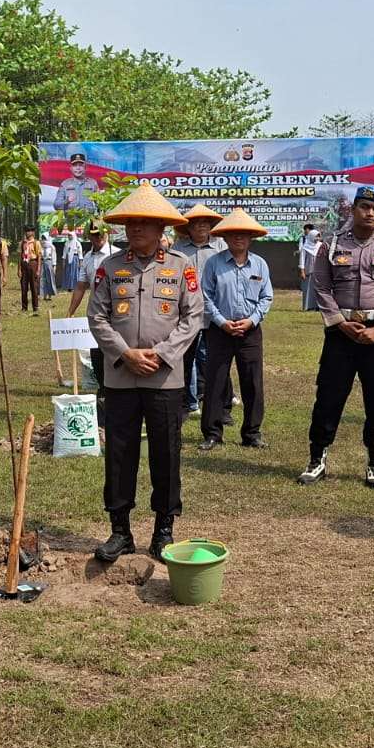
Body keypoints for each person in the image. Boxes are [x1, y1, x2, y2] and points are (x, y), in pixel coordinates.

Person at [86, 184, 201, 561]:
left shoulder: (181, 267)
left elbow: (192, 317)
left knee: (166, 452)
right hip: (121, 375)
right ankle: (120, 531)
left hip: (165, 376)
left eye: (144, 223)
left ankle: (163, 530)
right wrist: (125, 353)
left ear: (159, 229)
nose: (135, 229)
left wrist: (162, 354)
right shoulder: (110, 267)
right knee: (120, 451)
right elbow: (97, 316)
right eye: (131, 223)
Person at [300, 185, 374, 488]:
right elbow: (321, 287)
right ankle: (317, 458)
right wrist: (339, 322)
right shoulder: (332, 245)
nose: (371, 213)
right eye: (365, 207)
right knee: (328, 397)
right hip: (342, 334)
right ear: (353, 209)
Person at [197, 208, 273, 451]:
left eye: (243, 234)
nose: (238, 238)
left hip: (250, 331)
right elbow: (205, 296)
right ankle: (212, 433)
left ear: (250, 237)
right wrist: (221, 322)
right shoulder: (214, 263)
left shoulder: (260, 264)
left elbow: (267, 297)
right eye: (233, 234)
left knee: (252, 381)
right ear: (225, 238)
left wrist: (252, 320)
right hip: (220, 331)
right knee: (215, 381)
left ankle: (252, 433)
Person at [172, 203, 228, 420]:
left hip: (215, 312)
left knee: (216, 360)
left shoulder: (221, 247)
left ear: (211, 225)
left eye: (205, 222)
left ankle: (221, 408)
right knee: (185, 359)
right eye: (196, 223)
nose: (201, 226)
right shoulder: (178, 249)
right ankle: (185, 404)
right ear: (189, 228)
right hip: (186, 312)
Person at [67, 220, 117, 422]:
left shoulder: (116, 254)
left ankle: (113, 395)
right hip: (96, 315)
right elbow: (81, 286)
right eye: (94, 235)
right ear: (89, 236)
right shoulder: (87, 258)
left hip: (116, 315)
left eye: (100, 235)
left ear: (106, 234)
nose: (98, 238)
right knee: (96, 356)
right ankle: (104, 393)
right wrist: (70, 312)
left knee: (113, 355)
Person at [17, 226, 43, 312]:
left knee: (34, 287)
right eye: (26, 231)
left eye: (29, 231)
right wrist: (19, 269)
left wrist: (38, 269)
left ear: (33, 232)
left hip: (33, 263)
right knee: (24, 287)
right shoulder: (22, 243)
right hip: (24, 264)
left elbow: (39, 256)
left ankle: (35, 307)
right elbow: (20, 256)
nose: (27, 233)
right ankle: (24, 307)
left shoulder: (36, 243)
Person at [299, 222, 322, 311]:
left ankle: (318, 306)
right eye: (316, 236)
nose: (317, 238)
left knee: (318, 289)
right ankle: (308, 307)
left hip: (319, 270)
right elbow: (302, 260)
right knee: (307, 289)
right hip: (308, 270)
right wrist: (302, 271)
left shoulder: (320, 246)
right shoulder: (305, 247)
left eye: (318, 236)